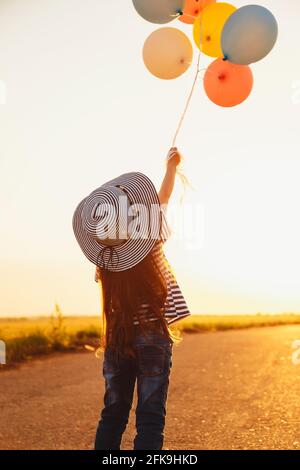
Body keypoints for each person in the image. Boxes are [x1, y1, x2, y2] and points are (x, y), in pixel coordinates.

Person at [72, 147, 191, 450]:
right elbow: (161, 200)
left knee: (112, 414)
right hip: (153, 336)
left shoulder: (105, 262)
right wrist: (171, 168)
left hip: (117, 337)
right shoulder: (150, 242)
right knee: (150, 417)